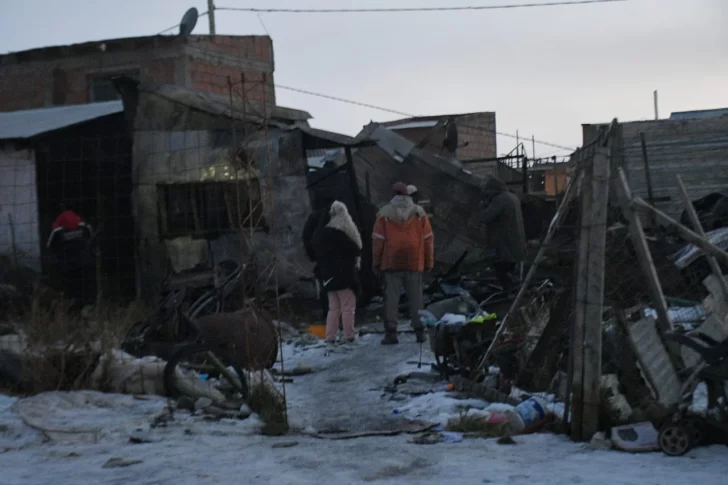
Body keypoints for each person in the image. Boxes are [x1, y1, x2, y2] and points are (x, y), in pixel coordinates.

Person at [372, 182, 434, 345]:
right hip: (414, 261)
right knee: (416, 297)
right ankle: (420, 332)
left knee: (391, 299)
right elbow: (428, 239)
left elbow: (378, 242)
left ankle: (391, 333)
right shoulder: (419, 213)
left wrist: (376, 263)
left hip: (391, 261)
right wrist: (429, 262)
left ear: (393, 194)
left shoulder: (384, 214)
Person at [311, 201, 362, 346]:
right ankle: (349, 335)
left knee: (333, 308)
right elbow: (355, 249)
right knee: (347, 307)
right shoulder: (339, 234)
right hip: (343, 276)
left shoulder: (319, 235)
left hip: (327, 277)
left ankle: (330, 336)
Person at [480, 176, 526, 294]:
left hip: (505, 243)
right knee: (509, 269)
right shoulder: (513, 197)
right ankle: (513, 291)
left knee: (501, 270)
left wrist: (483, 206)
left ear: (493, 189)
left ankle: (509, 294)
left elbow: (485, 217)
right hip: (516, 241)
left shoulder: (499, 200)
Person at [46, 204, 95, 306]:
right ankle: (86, 307)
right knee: (85, 288)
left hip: (67, 266)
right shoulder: (84, 227)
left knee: (70, 290)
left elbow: (49, 246)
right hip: (85, 263)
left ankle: (73, 309)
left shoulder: (57, 231)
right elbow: (91, 238)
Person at [302, 196, 335, 319]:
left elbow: (306, 236)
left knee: (325, 286)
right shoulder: (337, 217)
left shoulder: (315, 217)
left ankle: (328, 313)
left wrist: (312, 255)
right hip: (335, 257)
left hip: (322, 257)